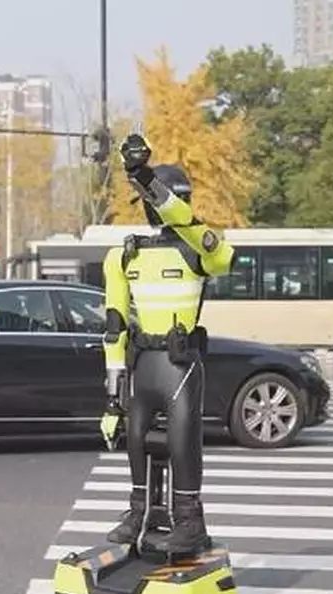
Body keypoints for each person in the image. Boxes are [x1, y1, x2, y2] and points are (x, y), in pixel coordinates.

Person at [99, 134, 236, 554]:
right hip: (145, 361)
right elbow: (114, 323)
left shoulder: (201, 250)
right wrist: (112, 394)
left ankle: (189, 520)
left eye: (158, 197)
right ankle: (140, 511)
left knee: (181, 441)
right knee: (137, 436)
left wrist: (144, 178)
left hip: (181, 363)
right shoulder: (125, 255)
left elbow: (218, 252)